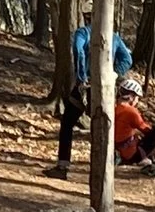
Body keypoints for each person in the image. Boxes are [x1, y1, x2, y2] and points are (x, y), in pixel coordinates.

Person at [55, 18, 134, 174]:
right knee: (103, 125)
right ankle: (106, 165)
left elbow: (78, 51)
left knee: (68, 122)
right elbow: (127, 59)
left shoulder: (83, 33)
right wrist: (114, 74)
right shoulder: (113, 37)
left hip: (85, 87)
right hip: (106, 88)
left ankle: (63, 166)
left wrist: (82, 76)